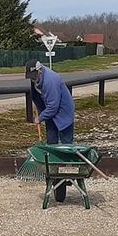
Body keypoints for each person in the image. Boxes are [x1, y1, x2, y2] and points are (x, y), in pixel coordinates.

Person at [26, 59, 75, 202]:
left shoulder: (51, 80)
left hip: (63, 113)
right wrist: (41, 111)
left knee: (66, 146)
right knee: (51, 147)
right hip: (50, 114)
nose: (33, 79)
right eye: (31, 77)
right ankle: (55, 176)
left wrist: (40, 118)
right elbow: (38, 98)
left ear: (40, 70)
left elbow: (54, 106)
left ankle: (68, 174)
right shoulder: (35, 79)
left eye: (35, 76)